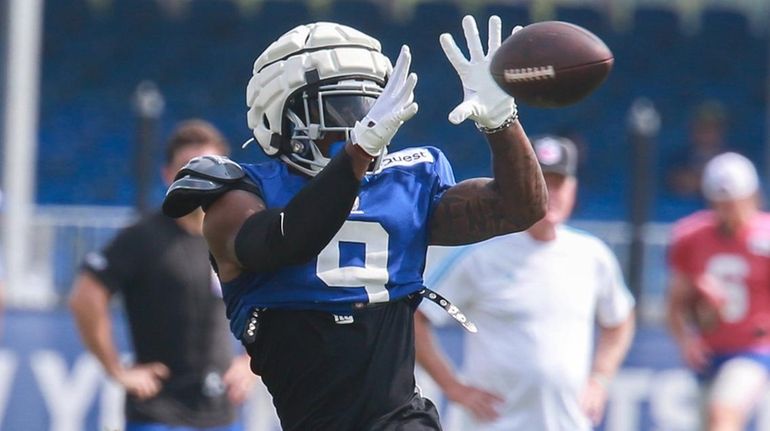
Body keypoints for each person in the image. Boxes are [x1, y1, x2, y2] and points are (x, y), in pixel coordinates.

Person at [162, 16, 547, 431]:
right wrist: (358, 152)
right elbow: (282, 242)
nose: (359, 122)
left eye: (369, 106)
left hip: (402, 420)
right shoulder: (239, 195)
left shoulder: (406, 182)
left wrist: (501, 121)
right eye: (339, 108)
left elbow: (518, 208)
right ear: (280, 116)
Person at [413, 135, 635, 431]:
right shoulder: (481, 253)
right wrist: (454, 387)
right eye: (541, 182)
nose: (550, 193)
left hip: (567, 423)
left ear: (574, 189)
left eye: (559, 183)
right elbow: (416, 315)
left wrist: (600, 378)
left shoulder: (592, 255)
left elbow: (620, 319)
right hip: (493, 424)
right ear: (520, 187)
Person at [69, 120, 256, 431]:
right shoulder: (142, 237)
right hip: (159, 414)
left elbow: (263, 300)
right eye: (188, 168)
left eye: (211, 169)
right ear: (168, 175)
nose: (201, 180)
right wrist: (117, 370)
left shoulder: (231, 238)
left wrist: (250, 363)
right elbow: (85, 296)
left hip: (222, 414)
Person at [666, 152, 770, 431]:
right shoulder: (691, 236)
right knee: (711, 423)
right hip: (711, 350)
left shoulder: (766, 235)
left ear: (752, 197)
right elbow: (675, 302)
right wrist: (687, 340)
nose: (730, 212)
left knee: (722, 414)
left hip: (755, 348)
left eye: (735, 203)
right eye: (722, 204)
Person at [666, 100, 729, 199]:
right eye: (702, 127)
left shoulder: (731, 159)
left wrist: (700, 182)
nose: (706, 133)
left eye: (711, 127)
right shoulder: (678, 158)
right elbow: (676, 181)